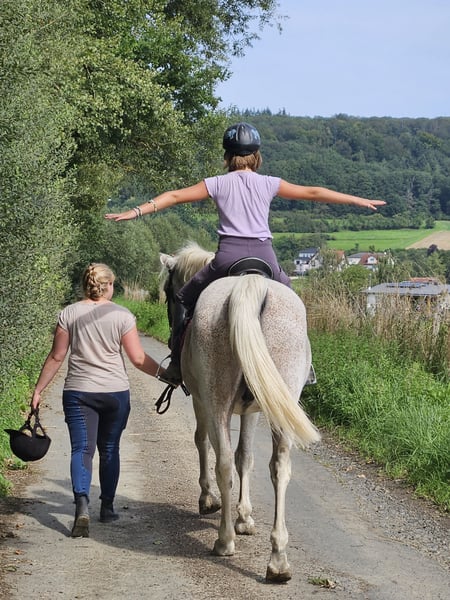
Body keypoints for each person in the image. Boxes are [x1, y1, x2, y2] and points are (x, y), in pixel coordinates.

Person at [105, 122, 386, 387]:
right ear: (256, 156)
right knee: (294, 304)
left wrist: (136, 211)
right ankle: (306, 366)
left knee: (182, 298)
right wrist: (357, 200)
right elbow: (313, 192)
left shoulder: (216, 183)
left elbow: (174, 196)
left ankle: (177, 364)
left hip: (228, 257)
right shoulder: (270, 183)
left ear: (227, 157)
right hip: (265, 257)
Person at [31, 263, 164, 538]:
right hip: (115, 393)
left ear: (86, 285)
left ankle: (82, 506)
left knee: (82, 449)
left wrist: (39, 390)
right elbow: (138, 359)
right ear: (109, 286)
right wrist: (167, 375)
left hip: (78, 393)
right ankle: (107, 508)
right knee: (110, 449)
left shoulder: (69, 313)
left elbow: (57, 356)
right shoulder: (122, 315)